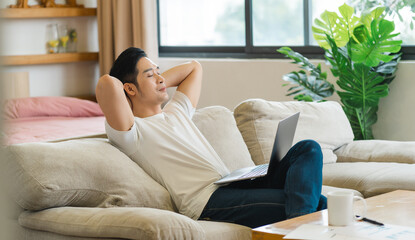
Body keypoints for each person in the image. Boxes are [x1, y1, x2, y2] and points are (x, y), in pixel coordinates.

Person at [96, 47, 327, 228]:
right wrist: (141, 85)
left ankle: (299, 226)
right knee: (319, 204)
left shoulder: (177, 111)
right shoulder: (133, 132)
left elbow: (194, 68)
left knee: (309, 149)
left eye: (159, 72)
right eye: (150, 75)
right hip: (208, 202)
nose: (160, 79)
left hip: (231, 184)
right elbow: (107, 83)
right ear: (129, 89)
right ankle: (303, 229)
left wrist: (152, 79)